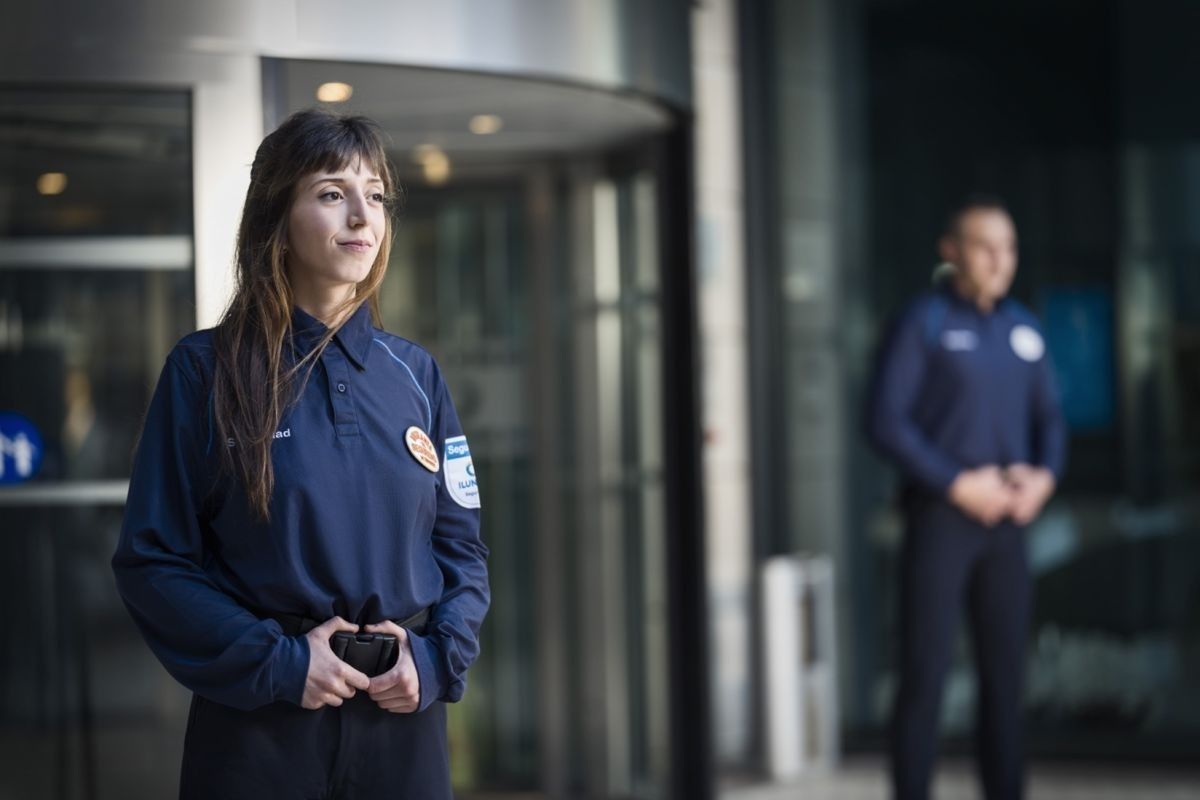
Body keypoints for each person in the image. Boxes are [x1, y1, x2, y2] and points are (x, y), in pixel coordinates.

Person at [112, 109, 489, 799]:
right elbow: (154, 560)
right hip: (263, 725)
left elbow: (463, 550)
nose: (361, 216)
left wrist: (434, 662)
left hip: (401, 723)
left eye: (375, 195)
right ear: (275, 216)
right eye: (330, 193)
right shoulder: (205, 371)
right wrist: (282, 663)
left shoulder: (416, 374)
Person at [866, 195, 1066, 800]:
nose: (999, 260)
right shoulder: (921, 323)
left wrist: (1044, 479)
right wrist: (956, 483)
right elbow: (883, 420)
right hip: (941, 520)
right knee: (925, 674)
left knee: (1005, 678)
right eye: (985, 246)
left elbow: (1051, 419)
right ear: (951, 252)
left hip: (1008, 523)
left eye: (1008, 248)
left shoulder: (1023, 329)